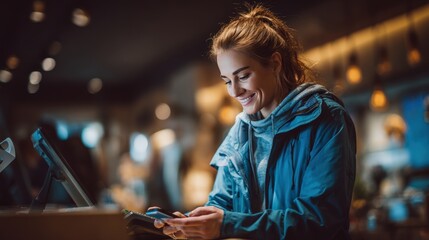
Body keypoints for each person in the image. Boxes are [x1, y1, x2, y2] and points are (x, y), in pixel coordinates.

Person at [153, 4, 356, 239]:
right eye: (227, 81)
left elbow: (321, 219)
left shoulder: (325, 119)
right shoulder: (238, 134)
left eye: (243, 76)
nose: (235, 91)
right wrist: (190, 223)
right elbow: (221, 205)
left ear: (275, 64)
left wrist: (227, 224)